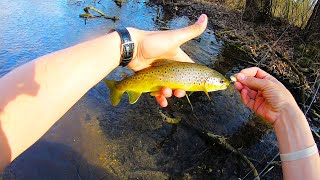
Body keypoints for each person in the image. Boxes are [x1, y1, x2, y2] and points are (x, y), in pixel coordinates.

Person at [0, 14, 318, 179]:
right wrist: (288, 111)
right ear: (211, 83)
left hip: (145, 67)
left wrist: (130, 46)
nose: (221, 86)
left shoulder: (210, 80)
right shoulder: (209, 80)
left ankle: (122, 83)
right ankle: (123, 85)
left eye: (220, 84)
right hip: (152, 73)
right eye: (219, 84)